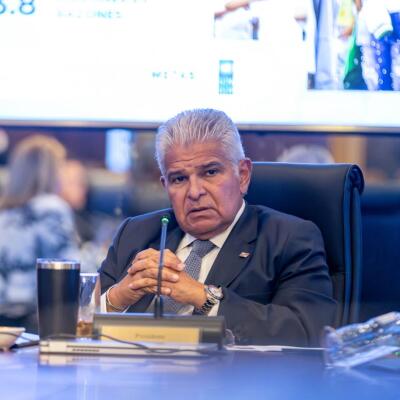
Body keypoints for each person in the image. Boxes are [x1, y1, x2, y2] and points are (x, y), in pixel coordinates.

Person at [99, 109, 336, 346]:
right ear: (165, 186)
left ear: (243, 175)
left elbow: (307, 331)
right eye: (179, 179)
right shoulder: (135, 233)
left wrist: (203, 297)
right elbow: (81, 319)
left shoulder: (288, 239)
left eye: (210, 172)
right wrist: (116, 299)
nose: (194, 192)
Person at [0, 135, 79, 331]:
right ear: (51, 171)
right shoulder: (52, 208)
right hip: (35, 318)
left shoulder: (5, 212)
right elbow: (71, 266)